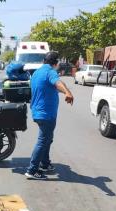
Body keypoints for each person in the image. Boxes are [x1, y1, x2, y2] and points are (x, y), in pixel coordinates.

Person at [25, 51, 74, 180]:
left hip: (38, 111)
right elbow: (57, 82)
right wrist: (68, 93)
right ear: (56, 63)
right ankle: (32, 170)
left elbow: (54, 85)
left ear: (44, 61)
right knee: (43, 141)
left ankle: (45, 164)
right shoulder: (50, 72)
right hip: (46, 114)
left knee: (48, 138)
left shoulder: (37, 72)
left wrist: (64, 89)